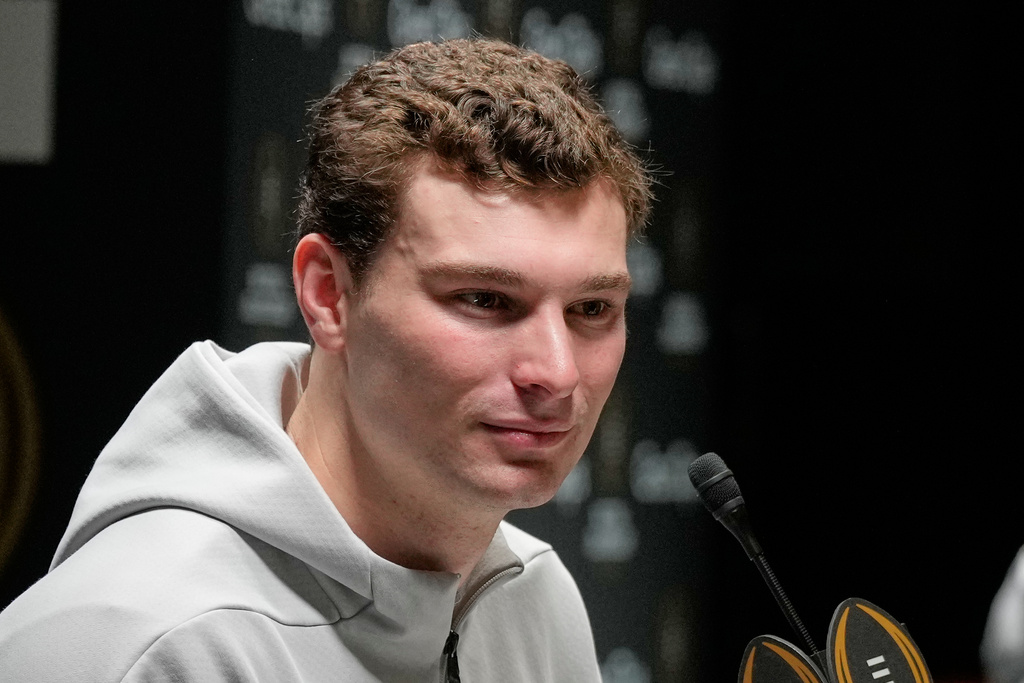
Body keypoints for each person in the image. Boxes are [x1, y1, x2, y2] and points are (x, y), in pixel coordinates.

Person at [0, 38, 652, 681]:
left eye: (593, 309)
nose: (558, 372)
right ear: (328, 294)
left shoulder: (535, 601)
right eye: (486, 298)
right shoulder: (137, 643)